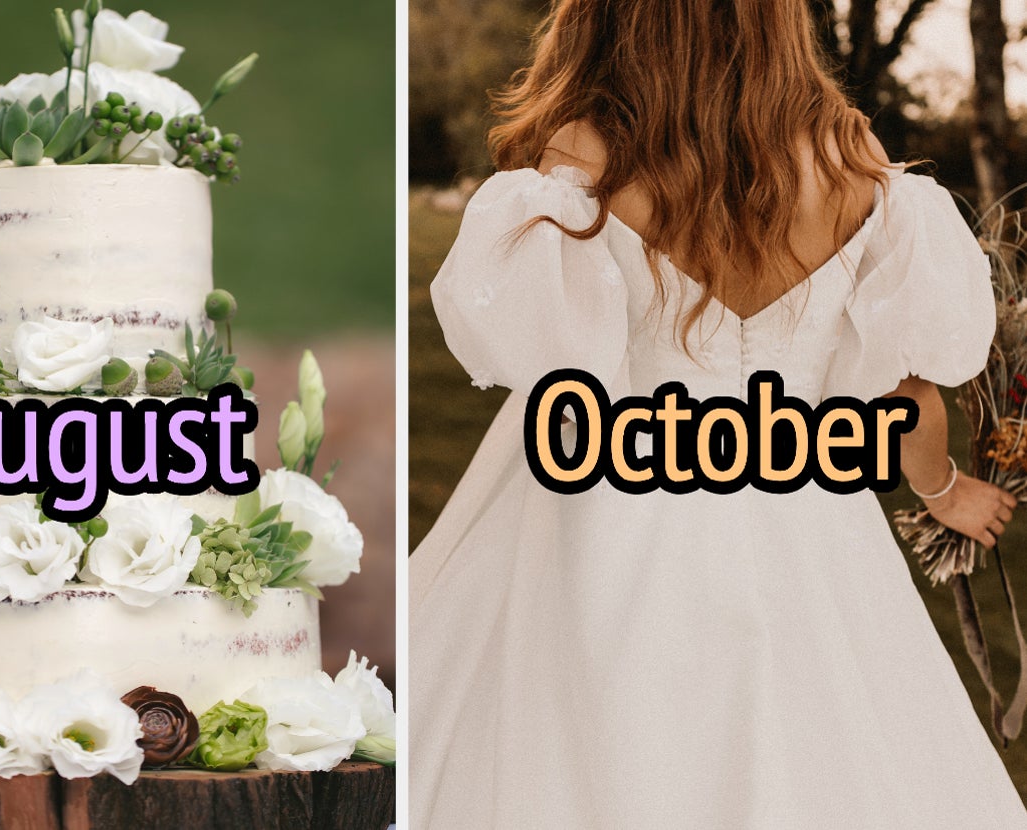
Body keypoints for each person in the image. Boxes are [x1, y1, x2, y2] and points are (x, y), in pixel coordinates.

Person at [408, 1, 1027, 827]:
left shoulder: (587, 151)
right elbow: (906, 395)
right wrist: (946, 491)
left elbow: (551, 363)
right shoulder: (850, 154)